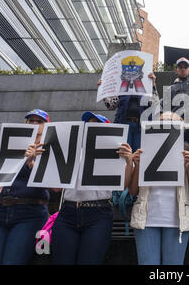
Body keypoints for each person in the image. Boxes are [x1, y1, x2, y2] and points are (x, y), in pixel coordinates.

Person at [51, 112, 134, 265]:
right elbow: (56, 188)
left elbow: (123, 186)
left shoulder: (117, 153)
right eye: (89, 123)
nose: (91, 125)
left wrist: (129, 162)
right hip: (68, 212)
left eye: (97, 123)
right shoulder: (73, 150)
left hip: (98, 213)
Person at [128, 112, 189, 265]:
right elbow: (132, 191)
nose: (166, 124)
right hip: (146, 221)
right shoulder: (144, 150)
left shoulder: (188, 153)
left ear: (181, 127)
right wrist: (138, 165)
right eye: (162, 121)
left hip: (178, 221)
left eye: (171, 121)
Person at [0, 109, 50, 265]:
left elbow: (54, 186)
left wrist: (32, 164)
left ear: (47, 126)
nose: (35, 124)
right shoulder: (12, 145)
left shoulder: (50, 149)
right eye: (31, 121)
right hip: (1, 210)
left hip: (30, 211)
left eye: (39, 121)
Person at [98, 72, 157, 151]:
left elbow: (155, 103)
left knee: (138, 152)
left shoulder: (146, 92)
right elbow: (111, 105)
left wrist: (153, 83)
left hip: (140, 126)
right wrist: (102, 90)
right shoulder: (122, 91)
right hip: (125, 124)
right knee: (124, 151)